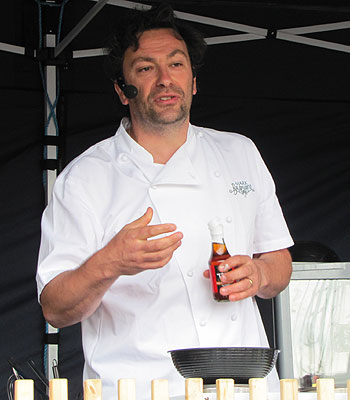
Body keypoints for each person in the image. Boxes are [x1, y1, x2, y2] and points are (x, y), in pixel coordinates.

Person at [36, 3, 293, 399]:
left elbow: (279, 265)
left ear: (193, 82)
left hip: (243, 386)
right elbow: (55, 307)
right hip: (137, 388)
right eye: (144, 68)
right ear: (122, 91)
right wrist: (110, 262)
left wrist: (257, 275)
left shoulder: (240, 153)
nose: (164, 79)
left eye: (176, 64)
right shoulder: (85, 178)